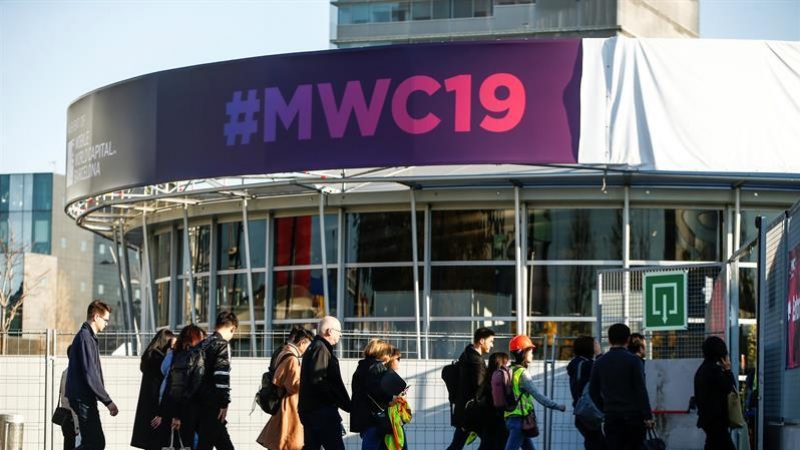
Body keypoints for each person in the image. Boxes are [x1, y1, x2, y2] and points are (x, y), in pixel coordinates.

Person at [589, 323, 653, 450]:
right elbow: (640, 389)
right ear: (628, 339)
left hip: (611, 415)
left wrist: (604, 408)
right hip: (633, 416)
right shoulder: (634, 361)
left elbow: (593, 391)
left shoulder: (600, 362)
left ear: (609, 339)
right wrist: (647, 415)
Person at [66, 300, 119, 450]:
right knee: (94, 443)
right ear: (96, 317)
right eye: (105, 320)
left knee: (93, 443)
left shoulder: (88, 338)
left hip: (84, 397)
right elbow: (90, 373)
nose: (107, 324)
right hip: (82, 397)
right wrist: (107, 401)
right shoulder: (85, 338)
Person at [503, 335, 566, 450]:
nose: (532, 354)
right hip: (520, 421)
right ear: (522, 352)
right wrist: (557, 406)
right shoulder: (522, 373)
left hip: (510, 419)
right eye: (530, 351)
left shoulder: (509, 370)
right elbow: (538, 395)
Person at [299, 316, 352, 450]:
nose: (340, 335)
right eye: (339, 331)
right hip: (322, 412)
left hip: (312, 411)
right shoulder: (321, 349)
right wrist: (334, 400)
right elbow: (319, 380)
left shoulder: (315, 347)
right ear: (329, 331)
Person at [257, 326, 314, 450]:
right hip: (290, 406)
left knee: (281, 440)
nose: (307, 350)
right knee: (290, 442)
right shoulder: (292, 359)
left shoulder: (283, 352)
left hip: (282, 402)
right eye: (308, 346)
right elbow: (293, 386)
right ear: (302, 342)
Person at [195, 311, 239, 450]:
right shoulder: (222, 344)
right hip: (212, 402)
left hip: (198, 399)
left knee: (220, 441)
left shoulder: (204, 343)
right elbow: (221, 375)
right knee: (207, 443)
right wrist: (224, 402)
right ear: (233, 328)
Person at [446, 327, 495, 450]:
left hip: (463, 408)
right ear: (482, 341)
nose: (492, 345)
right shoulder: (477, 361)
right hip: (474, 411)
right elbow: (480, 385)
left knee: (457, 444)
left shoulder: (466, 355)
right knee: (490, 441)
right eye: (491, 341)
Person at [160, 325, 207, 448]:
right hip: (188, 410)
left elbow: (171, 386)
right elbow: (188, 386)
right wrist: (178, 415)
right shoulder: (193, 356)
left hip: (177, 408)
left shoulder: (177, 356)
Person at [131, 328, 175, 450]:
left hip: (147, 408)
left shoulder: (149, 357)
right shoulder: (160, 360)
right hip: (157, 409)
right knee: (157, 442)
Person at [694, 336, 737, 450]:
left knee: (712, 445)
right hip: (717, 421)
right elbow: (731, 388)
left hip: (707, 419)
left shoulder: (701, 370)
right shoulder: (714, 370)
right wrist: (728, 370)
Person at [350, 339, 394, 450]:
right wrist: (392, 397)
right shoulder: (377, 367)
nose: (389, 356)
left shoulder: (360, 367)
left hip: (362, 417)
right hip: (375, 418)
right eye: (388, 353)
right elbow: (379, 392)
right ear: (382, 353)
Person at [566, 336, 605, 450]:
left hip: (582, 411)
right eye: (596, 345)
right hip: (590, 411)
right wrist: (599, 354)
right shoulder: (586, 365)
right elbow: (603, 369)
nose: (598, 346)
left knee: (592, 441)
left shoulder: (576, 363)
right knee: (598, 444)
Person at [484, 352, 510, 450]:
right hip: (500, 417)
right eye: (506, 363)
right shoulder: (500, 379)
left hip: (488, 417)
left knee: (487, 445)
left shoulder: (486, 377)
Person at [58, 346, 80, 450]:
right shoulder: (74, 374)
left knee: (68, 444)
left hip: (67, 419)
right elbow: (72, 401)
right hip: (73, 420)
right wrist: (77, 428)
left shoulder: (65, 372)